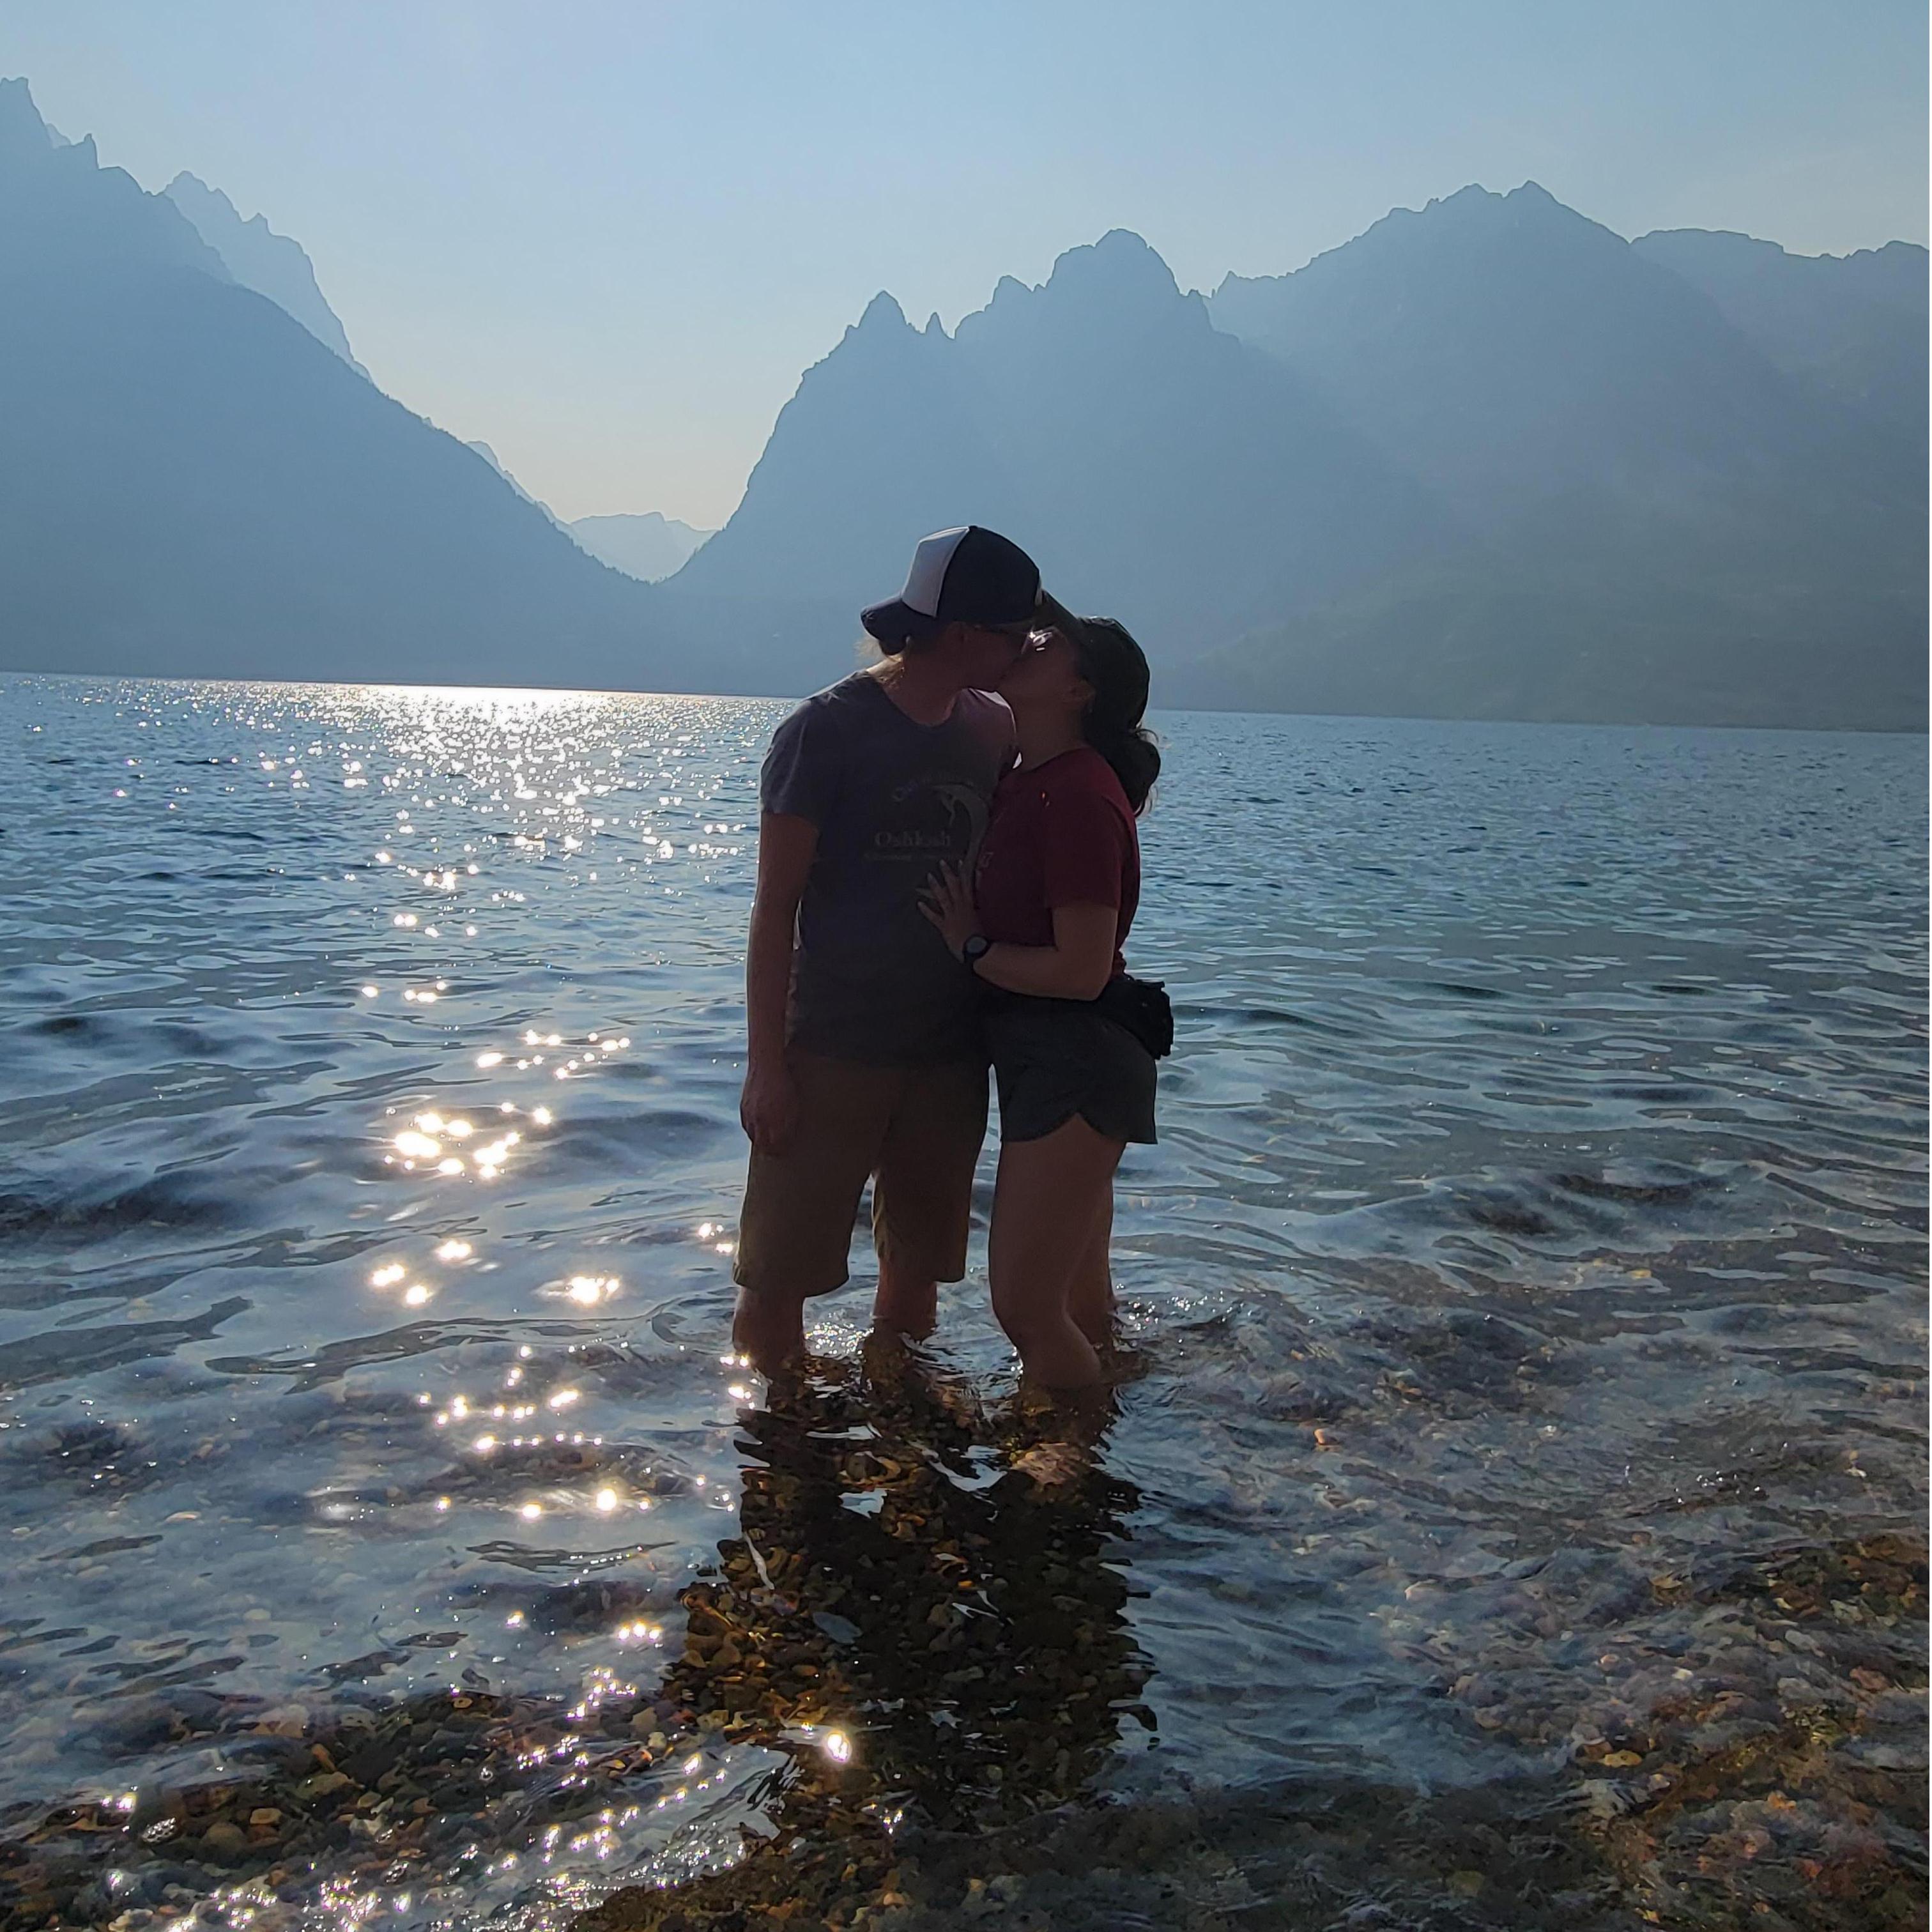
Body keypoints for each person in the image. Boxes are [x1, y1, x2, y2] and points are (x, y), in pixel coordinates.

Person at [732, 525, 1057, 1372]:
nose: (1025, 649)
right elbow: (775, 913)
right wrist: (767, 1066)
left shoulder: (992, 730)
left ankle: (902, 1447)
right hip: (832, 1048)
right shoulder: (823, 732)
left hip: (948, 1059)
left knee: (916, 1281)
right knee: (776, 1287)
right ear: (963, 636)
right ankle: (782, 1459)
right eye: (1013, 633)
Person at [921, 615, 1162, 1390]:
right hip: (1049, 1062)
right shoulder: (1029, 778)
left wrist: (973, 949)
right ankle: (1094, 1456)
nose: (1027, 643)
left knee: (1025, 1310)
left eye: (1046, 645)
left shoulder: (1080, 796)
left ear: (1078, 689)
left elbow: (1083, 970)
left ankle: (1067, 1482)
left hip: (1079, 1064)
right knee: (1080, 1309)